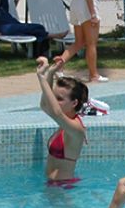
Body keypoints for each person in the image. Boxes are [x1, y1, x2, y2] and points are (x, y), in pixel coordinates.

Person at [36, 57, 89, 187]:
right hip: (54, 185)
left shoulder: (76, 128)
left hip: (63, 187)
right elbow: (45, 105)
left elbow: (56, 112)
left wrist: (41, 77)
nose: (54, 101)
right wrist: (50, 73)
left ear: (74, 103)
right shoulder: (64, 122)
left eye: (59, 99)